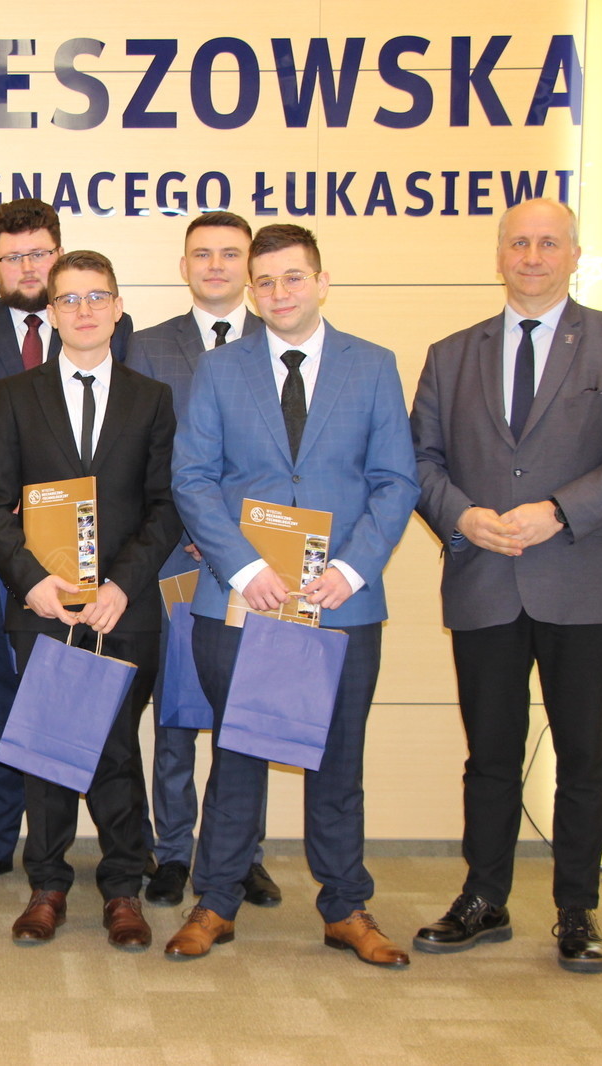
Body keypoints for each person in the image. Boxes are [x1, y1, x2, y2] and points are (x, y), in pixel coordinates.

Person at [409, 198, 602, 974]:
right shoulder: (452, 354)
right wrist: (462, 516)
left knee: (585, 756)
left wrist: (559, 511)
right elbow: (419, 462)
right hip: (485, 578)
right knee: (489, 755)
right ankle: (483, 897)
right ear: (500, 254)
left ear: (575, 254)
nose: (532, 256)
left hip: (583, 580)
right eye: (519, 242)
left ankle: (577, 909)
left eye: (548, 243)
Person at [168, 224, 418, 966]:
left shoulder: (373, 365)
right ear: (252, 292)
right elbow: (193, 479)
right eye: (266, 282)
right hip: (242, 601)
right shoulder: (220, 370)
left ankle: (345, 907)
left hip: (340, 603)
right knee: (237, 754)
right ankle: (216, 902)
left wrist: (353, 569)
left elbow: (396, 481)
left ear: (322, 281)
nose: (279, 293)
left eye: (293, 278)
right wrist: (245, 567)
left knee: (338, 758)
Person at [0, 250, 180, 950]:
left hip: (123, 606)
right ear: (52, 312)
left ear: (118, 309)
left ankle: (123, 889)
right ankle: (48, 886)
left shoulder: (152, 399)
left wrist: (122, 585)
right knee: (46, 749)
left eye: (97, 297)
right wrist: (31, 581)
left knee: (117, 748)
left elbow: (165, 507)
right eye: (69, 299)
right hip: (45, 605)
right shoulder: (15, 394)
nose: (84, 310)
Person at [0, 198, 135, 888]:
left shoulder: (100, 325)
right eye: (12, 257)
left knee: (85, 699)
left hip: (87, 562)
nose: (27, 267)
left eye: (39, 254)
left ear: (59, 253)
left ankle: (76, 843)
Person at [127, 210, 281, 910]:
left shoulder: (279, 341)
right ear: (183, 266)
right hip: (174, 559)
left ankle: (243, 855)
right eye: (202, 254)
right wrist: (185, 526)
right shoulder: (146, 347)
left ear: (249, 265)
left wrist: (234, 535)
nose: (215, 265)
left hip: (259, 562)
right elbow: (136, 452)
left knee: (250, 710)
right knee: (176, 712)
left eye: (229, 254)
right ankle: (171, 851)